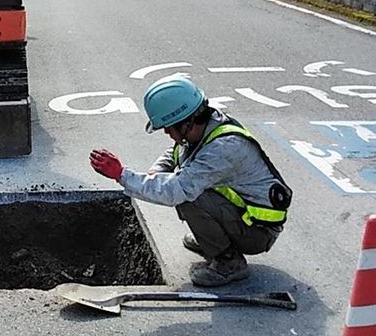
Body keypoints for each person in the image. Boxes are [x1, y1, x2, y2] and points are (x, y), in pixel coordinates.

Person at [90, 76, 292, 287]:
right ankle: (214, 240)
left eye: (168, 127)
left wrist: (121, 175)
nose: (167, 132)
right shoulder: (207, 126)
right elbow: (177, 150)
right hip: (245, 217)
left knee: (191, 198)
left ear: (187, 122)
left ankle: (229, 262)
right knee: (192, 190)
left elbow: (177, 190)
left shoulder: (223, 148)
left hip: (258, 231)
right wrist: (157, 170)